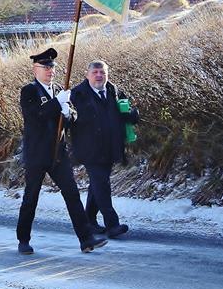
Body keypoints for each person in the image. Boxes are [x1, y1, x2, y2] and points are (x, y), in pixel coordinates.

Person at [16, 48, 107, 255]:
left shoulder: (59, 89)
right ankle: (23, 239)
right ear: (35, 69)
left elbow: (73, 116)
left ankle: (86, 239)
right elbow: (34, 116)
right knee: (31, 198)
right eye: (45, 67)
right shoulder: (29, 91)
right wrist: (57, 104)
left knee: (72, 195)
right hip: (37, 154)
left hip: (58, 153)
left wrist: (67, 112)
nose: (50, 71)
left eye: (52, 67)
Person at [70, 60, 139, 239]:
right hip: (89, 149)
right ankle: (112, 224)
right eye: (95, 72)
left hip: (110, 147)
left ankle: (89, 220)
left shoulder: (113, 91)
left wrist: (132, 116)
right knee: (102, 184)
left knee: (97, 184)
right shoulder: (77, 94)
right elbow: (67, 120)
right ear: (87, 74)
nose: (99, 76)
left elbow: (124, 112)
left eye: (103, 73)